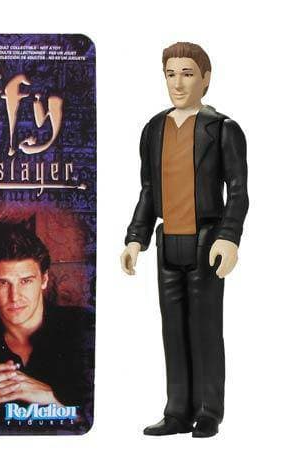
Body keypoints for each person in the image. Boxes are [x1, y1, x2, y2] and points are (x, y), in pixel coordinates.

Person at [120, 42, 248, 438]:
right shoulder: (154, 129)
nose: (178, 83)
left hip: (206, 241)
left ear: (205, 79)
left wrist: (229, 237)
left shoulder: (222, 128)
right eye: (171, 74)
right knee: (172, 330)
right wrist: (135, 238)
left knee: (205, 328)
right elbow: (148, 190)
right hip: (168, 243)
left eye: (187, 74)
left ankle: (209, 409)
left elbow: (238, 191)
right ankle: (177, 410)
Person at [0, 224, 94, 433]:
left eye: (25, 281)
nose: (14, 296)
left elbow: (107, 426)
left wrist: (50, 398)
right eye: (3, 283)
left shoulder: (86, 328)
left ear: (44, 280)